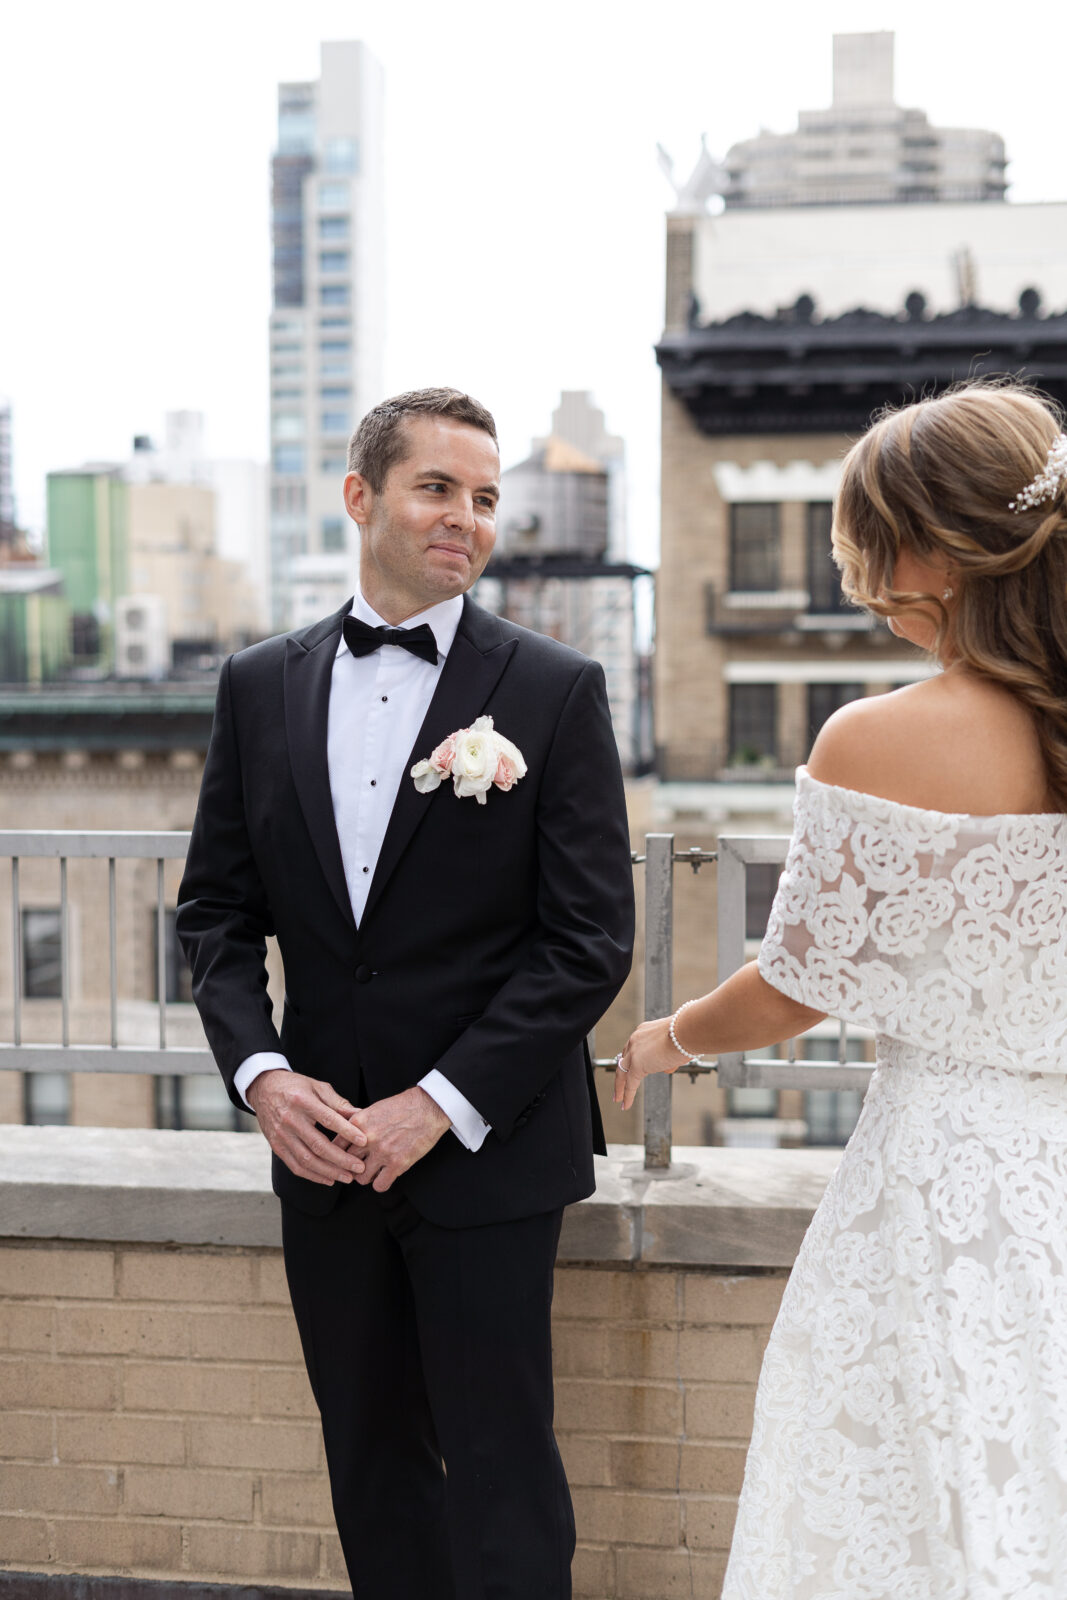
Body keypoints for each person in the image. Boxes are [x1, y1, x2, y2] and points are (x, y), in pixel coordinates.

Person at [176, 387, 634, 1600]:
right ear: (359, 496)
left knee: (501, 1472)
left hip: (486, 1151)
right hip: (322, 1156)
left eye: (485, 499)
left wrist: (435, 1102)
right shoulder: (257, 683)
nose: (465, 520)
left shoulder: (555, 689)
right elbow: (215, 915)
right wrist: (263, 1078)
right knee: (370, 1463)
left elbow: (588, 940)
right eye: (437, 488)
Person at [616, 381, 1067, 1595]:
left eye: (871, 537)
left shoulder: (874, 739)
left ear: (929, 549)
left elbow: (794, 983)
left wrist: (671, 1036)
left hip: (944, 1176)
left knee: (906, 1501)